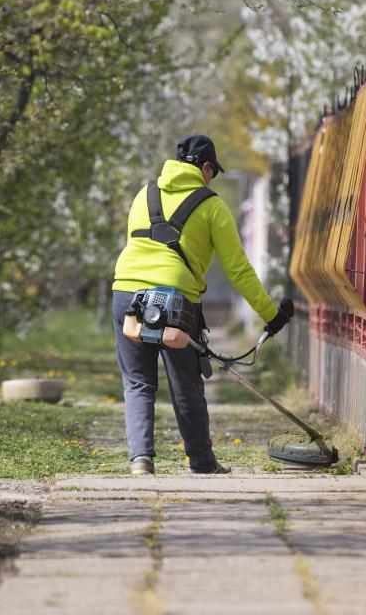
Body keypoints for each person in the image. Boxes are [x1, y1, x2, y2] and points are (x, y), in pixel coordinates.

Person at [111, 134, 294, 475]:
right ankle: (201, 462)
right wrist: (272, 315)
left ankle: (141, 461)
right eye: (214, 172)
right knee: (186, 382)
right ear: (206, 167)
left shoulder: (144, 193)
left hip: (126, 292)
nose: (213, 179)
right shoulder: (212, 206)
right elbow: (238, 270)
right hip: (175, 299)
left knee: (137, 382)